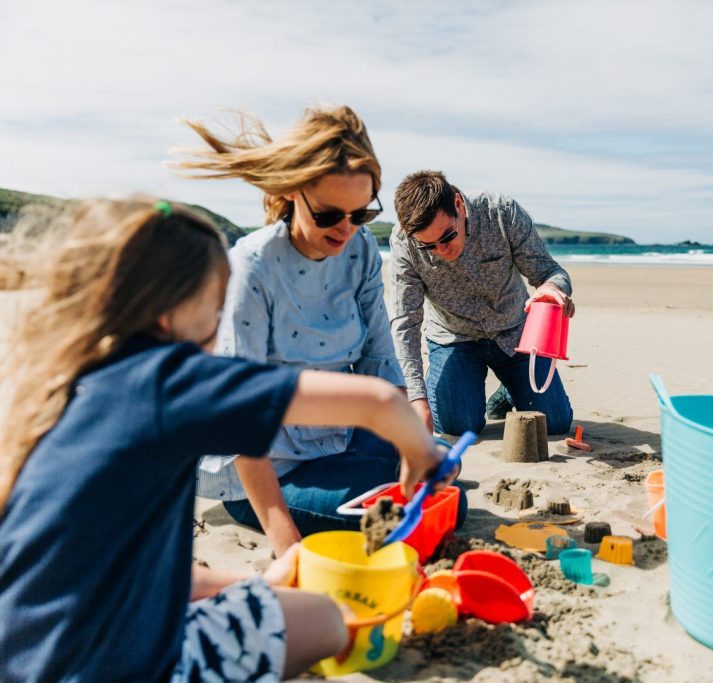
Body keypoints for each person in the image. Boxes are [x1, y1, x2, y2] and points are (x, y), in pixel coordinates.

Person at [0, 199, 447, 681]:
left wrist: (252, 582)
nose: (218, 330)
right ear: (171, 312)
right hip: (120, 666)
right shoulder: (167, 380)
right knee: (327, 620)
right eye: (216, 309)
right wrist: (420, 450)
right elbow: (377, 403)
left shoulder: (55, 390)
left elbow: (122, 577)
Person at [173, 106, 466, 557]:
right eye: (330, 215)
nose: (346, 229)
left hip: (338, 437)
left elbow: (378, 358)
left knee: (440, 473)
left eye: (361, 213)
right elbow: (241, 418)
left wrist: (411, 441)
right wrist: (283, 536)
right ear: (293, 193)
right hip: (265, 467)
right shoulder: (253, 268)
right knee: (401, 519)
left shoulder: (360, 250)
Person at [389, 170, 575, 437]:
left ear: (458, 205)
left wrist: (553, 288)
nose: (442, 251)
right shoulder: (403, 243)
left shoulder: (501, 212)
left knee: (553, 424)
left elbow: (549, 272)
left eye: (447, 237)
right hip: (453, 337)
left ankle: (509, 391)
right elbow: (405, 323)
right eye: (428, 247)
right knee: (455, 426)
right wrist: (415, 397)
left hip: (515, 332)